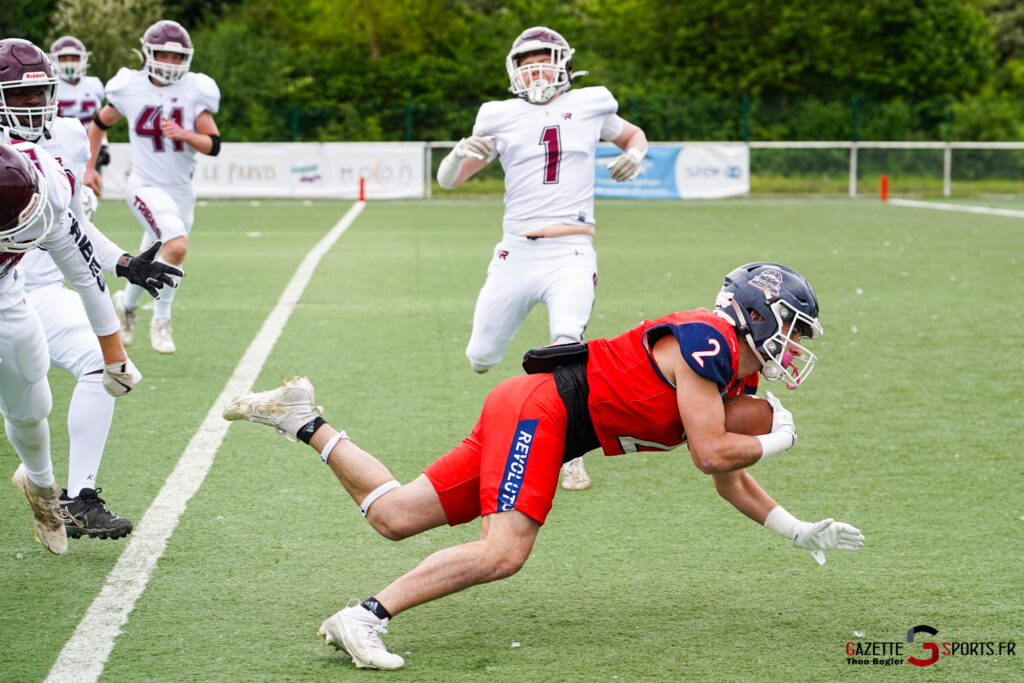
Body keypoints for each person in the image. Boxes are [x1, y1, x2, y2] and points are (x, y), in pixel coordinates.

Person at [223, 262, 865, 670]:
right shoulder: (708, 341)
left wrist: (796, 530)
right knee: (503, 552)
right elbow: (710, 455)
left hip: (541, 417)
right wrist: (780, 437)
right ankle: (365, 617)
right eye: (792, 328)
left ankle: (302, 419)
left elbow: (731, 480)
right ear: (759, 313)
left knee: (395, 515)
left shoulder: (729, 377)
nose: (794, 346)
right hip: (545, 412)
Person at [436, 26, 648, 492]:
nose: (534, 70)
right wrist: (456, 154)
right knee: (480, 357)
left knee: (566, 344)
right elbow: (449, 180)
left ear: (562, 65)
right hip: (514, 253)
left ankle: (570, 452)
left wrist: (635, 154)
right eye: (526, 63)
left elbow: (633, 134)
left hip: (570, 250)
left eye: (542, 61)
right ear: (514, 70)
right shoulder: (498, 115)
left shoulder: (590, 103)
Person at [3, 37, 137, 538]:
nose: (32, 104)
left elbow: (73, 238)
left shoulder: (52, 164)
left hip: (25, 289)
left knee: (80, 377)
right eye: (18, 95)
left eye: (39, 93)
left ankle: (77, 497)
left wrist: (121, 261)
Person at [84, 19, 221, 354]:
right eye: (164, 55)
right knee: (176, 246)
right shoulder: (130, 87)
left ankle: (127, 305)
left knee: (159, 250)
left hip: (181, 191)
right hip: (144, 184)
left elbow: (213, 144)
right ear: (148, 54)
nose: (171, 62)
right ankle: (162, 319)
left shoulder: (195, 89)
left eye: (177, 57)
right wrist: (88, 167)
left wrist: (185, 135)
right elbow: (99, 124)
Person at [49, 35, 108, 214]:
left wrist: (104, 145)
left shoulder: (94, 85)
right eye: (63, 58)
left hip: (86, 150)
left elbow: (100, 119)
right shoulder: (50, 85)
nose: (69, 62)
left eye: (74, 58)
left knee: (84, 202)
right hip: (57, 149)